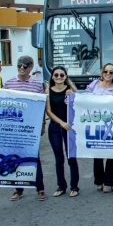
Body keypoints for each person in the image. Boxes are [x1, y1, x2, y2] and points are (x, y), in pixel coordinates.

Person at [5, 55, 46, 202]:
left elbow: (40, 107)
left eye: (25, 66)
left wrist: (42, 124)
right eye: (19, 65)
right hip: (13, 128)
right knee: (14, 158)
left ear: (30, 68)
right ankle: (18, 189)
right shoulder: (8, 84)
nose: (22, 68)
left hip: (30, 128)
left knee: (34, 157)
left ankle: (40, 188)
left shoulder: (37, 85)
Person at [85, 63, 113, 194]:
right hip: (95, 123)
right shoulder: (94, 84)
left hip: (112, 124)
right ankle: (99, 180)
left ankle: (109, 182)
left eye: (111, 72)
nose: (108, 74)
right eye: (106, 71)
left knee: (112, 153)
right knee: (98, 153)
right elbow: (84, 99)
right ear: (102, 73)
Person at [45, 66, 79, 198]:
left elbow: (79, 106)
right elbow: (48, 111)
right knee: (59, 158)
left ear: (66, 77)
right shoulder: (48, 91)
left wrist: (73, 95)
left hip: (70, 129)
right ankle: (61, 186)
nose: (59, 77)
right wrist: (61, 123)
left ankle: (74, 186)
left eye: (62, 75)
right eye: (56, 75)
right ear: (52, 77)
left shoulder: (70, 91)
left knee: (71, 158)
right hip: (55, 128)